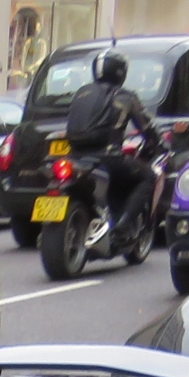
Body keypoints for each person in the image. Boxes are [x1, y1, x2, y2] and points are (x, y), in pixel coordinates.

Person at [61, 52, 160, 247]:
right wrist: (159, 143)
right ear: (120, 72)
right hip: (108, 158)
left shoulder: (81, 93)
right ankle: (123, 226)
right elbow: (146, 127)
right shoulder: (125, 96)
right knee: (148, 176)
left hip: (76, 158)